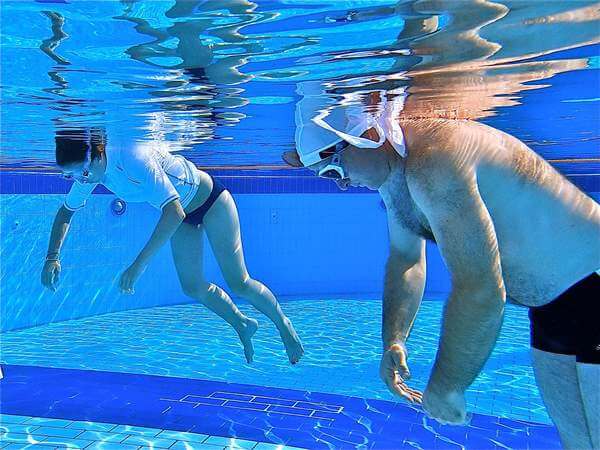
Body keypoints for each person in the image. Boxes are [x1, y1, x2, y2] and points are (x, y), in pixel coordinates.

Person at [283, 87, 599, 448]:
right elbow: (406, 261)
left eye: (334, 164)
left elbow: (481, 290)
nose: (338, 182)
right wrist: (394, 340)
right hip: (555, 307)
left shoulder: (436, 161)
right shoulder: (394, 175)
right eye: (323, 174)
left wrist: (449, 384)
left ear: (368, 135)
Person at [41, 127, 304, 365]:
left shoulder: (131, 155)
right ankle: (242, 324)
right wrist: (52, 257)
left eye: (83, 172)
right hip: (184, 215)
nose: (81, 179)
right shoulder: (90, 172)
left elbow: (173, 212)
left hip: (211, 201)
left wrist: (137, 266)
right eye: (71, 175)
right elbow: (66, 212)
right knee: (192, 286)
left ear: (98, 154)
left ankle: (284, 326)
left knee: (239, 282)